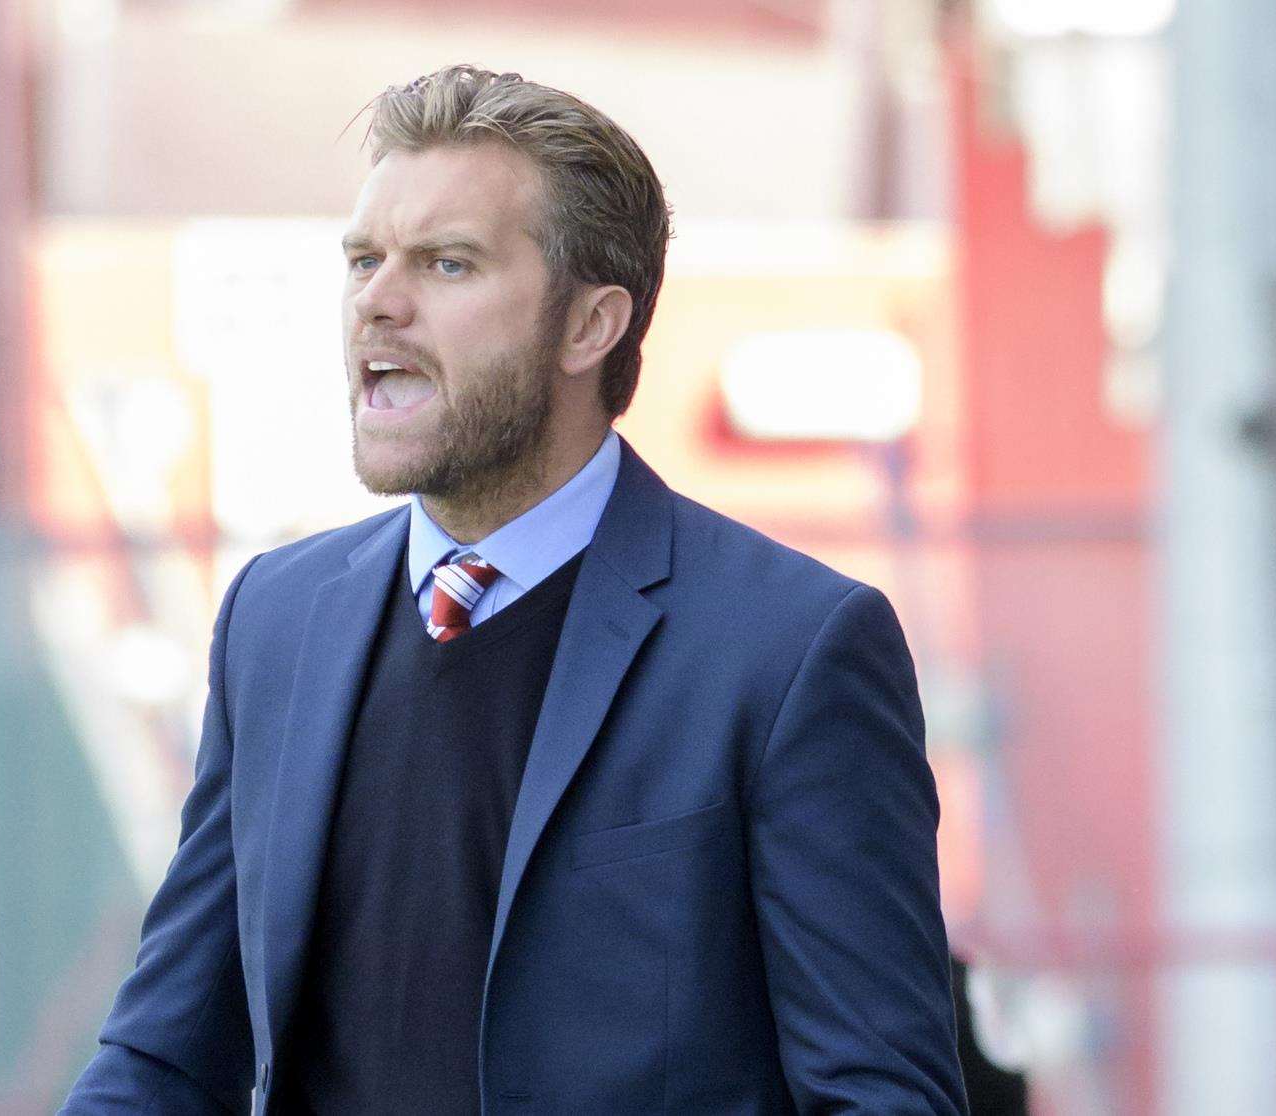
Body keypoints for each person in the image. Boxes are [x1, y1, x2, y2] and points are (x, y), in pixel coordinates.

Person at [63, 64, 967, 1115]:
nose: (378, 303)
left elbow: (880, 1097)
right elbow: (168, 1053)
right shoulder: (275, 618)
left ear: (591, 327)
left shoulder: (791, 650)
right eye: (364, 259)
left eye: (447, 264)